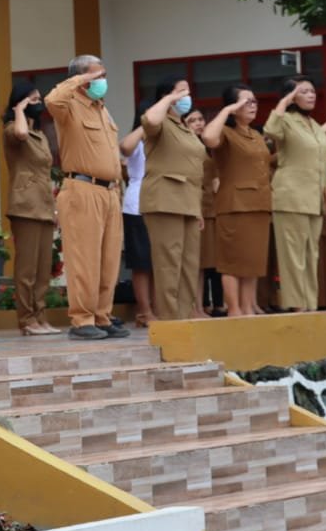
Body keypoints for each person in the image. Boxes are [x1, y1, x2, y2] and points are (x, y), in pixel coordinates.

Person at [44, 55, 130, 340]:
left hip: (109, 190)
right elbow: (51, 100)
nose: (103, 81)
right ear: (82, 80)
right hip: (82, 188)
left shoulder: (101, 109)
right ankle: (82, 319)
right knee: (85, 258)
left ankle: (102, 315)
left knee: (108, 259)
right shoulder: (69, 105)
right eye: (97, 76)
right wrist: (80, 79)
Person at [264, 77, 326, 313]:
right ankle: (296, 306)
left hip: (314, 199)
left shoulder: (314, 125)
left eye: (313, 91)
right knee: (292, 257)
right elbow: (270, 130)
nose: (311, 95)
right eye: (304, 92)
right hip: (291, 197)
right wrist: (284, 101)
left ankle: (310, 305)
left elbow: (320, 163)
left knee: (311, 254)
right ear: (292, 96)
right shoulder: (285, 120)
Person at [201, 86, 273, 317]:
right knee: (232, 261)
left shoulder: (255, 134)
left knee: (252, 262)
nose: (253, 105)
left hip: (259, 204)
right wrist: (227, 111)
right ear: (232, 107)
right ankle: (234, 310)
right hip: (235, 205)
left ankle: (247, 308)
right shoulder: (226, 132)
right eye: (246, 102)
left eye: (254, 101)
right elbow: (208, 138)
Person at [141, 78, 206, 321]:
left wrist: (197, 208)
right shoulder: (160, 122)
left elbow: (194, 168)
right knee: (169, 263)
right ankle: (170, 319)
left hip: (189, 201)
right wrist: (169, 98)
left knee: (189, 264)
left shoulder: (184, 127)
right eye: (182, 92)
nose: (187, 96)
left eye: (189, 91)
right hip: (165, 199)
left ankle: (185, 314)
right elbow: (150, 120)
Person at [2, 80, 60, 336]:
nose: (39, 104)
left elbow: (45, 172)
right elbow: (21, 134)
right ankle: (26, 319)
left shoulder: (42, 136)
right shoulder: (12, 129)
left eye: (39, 99)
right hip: (25, 206)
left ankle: (40, 316)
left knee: (42, 269)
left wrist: (55, 209)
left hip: (44, 206)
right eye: (33, 100)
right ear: (21, 102)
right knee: (26, 269)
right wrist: (19, 109)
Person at [119, 101, 156, 327]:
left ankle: (157, 308)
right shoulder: (138, 138)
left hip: (161, 205)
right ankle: (144, 311)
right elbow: (125, 147)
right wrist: (145, 125)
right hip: (137, 205)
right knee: (142, 262)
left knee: (158, 262)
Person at [183, 108, 221, 316]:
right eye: (192, 120)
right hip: (193, 206)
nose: (198, 123)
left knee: (204, 263)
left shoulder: (206, 148)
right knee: (194, 262)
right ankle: (193, 306)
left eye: (200, 119)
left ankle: (199, 305)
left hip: (209, 208)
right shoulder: (186, 148)